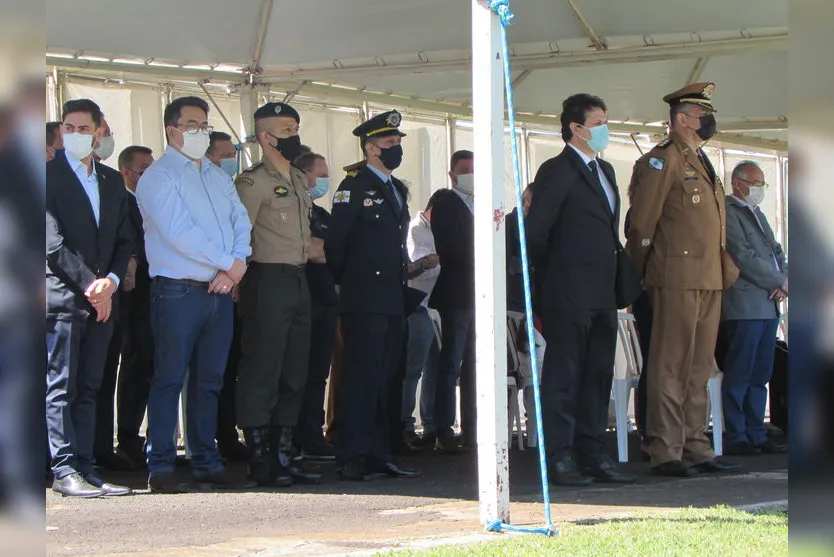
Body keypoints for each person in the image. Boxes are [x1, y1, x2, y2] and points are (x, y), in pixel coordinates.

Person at [137, 96, 253, 493]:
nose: (200, 132)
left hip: (219, 291)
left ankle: (206, 460)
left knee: (209, 381)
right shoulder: (160, 176)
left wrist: (236, 264)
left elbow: (241, 219)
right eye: (191, 125)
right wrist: (227, 264)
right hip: (178, 292)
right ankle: (162, 465)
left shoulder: (217, 176)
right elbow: (179, 232)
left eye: (204, 124)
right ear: (172, 130)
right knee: (169, 378)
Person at [626, 82, 741, 477]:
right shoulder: (663, 160)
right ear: (680, 120)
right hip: (674, 275)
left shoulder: (701, 160)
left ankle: (696, 444)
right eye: (700, 115)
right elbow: (642, 224)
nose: (707, 122)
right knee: (669, 365)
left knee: (698, 367)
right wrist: (638, 273)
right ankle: (665, 448)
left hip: (709, 276)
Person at [525, 94, 635, 487]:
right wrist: (547, 280)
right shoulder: (557, 169)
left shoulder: (604, 170)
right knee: (565, 376)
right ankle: (560, 454)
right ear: (576, 128)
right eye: (598, 121)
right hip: (568, 290)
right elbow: (537, 231)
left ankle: (593, 452)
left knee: (597, 375)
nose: (604, 129)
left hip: (602, 292)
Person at [325, 109, 419, 481]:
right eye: (388, 143)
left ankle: (380, 451)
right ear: (369, 147)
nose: (395, 148)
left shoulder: (396, 188)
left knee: (386, 378)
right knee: (361, 377)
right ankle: (353, 454)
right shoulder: (354, 186)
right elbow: (337, 243)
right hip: (363, 297)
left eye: (397, 142)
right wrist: (344, 283)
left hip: (392, 297)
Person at [46, 99, 134, 497]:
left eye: (84, 128)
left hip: (103, 300)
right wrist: (91, 285)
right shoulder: (45, 176)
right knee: (61, 386)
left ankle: (85, 465)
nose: (75, 135)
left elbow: (124, 238)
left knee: (91, 386)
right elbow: (51, 243)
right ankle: (63, 469)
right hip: (64, 298)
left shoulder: (111, 181)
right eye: (69, 127)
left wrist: (111, 282)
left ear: (99, 132)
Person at [234, 102, 321, 487]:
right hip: (266, 279)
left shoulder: (300, 180)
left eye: (296, 128)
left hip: (299, 279)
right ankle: (258, 456)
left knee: (294, 369)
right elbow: (239, 235)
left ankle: (283, 453)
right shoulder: (252, 183)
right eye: (287, 130)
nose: (294, 135)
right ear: (266, 137)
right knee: (263, 368)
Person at [720, 161, 788, 455]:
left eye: (763, 185)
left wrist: (785, 278)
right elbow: (742, 255)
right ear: (738, 182)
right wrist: (777, 280)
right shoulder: (730, 212)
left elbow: (776, 250)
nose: (760, 190)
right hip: (744, 304)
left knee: (761, 373)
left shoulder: (757, 213)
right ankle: (737, 435)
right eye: (755, 184)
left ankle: (757, 431)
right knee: (740, 373)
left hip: (768, 305)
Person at [204, 131, 248, 462]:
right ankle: (200, 443)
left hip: (231, 291)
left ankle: (226, 433)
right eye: (224, 155)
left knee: (227, 369)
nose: (230, 162)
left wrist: (234, 274)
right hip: (200, 288)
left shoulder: (228, 190)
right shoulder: (194, 191)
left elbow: (242, 233)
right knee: (201, 374)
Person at [429, 150, 476, 453]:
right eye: (464, 170)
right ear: (452, 174)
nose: (470, 175)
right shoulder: (447, 201)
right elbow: (451, 245)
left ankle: (472, 429)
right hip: (458, 292)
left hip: (478, 294)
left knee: (475, 363)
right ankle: (443, 427)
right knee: (452, 361)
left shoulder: (483, 202)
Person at [112, 146, 156, 467]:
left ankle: (149, 438)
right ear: (127, 173)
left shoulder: (154, 203)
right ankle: (127, 437)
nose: (150, 175)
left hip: (157, 295)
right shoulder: (121, 201)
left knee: (152, 366)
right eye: (144, 169)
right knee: (135, 366)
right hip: (132, 297)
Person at [293, 152, 339, 461]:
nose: (323, 181)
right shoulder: (294, 210)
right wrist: (321, 250)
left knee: (319, 373)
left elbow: (333, 251)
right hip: (301, 300)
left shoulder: (323, 214)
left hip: (327, 300)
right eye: (319, 174)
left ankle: (313, 433)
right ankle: (293, 435)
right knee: (298, 370)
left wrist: (323, 251)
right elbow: (307, 249)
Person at [402, 191, 443, 448]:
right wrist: (441, 265)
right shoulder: (416, 229)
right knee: (413, 370)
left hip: (438, 308)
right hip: (419, 305)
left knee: (435, 370)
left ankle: (431, 424)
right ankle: (405, 423)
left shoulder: (439, 230)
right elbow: (416, 271)